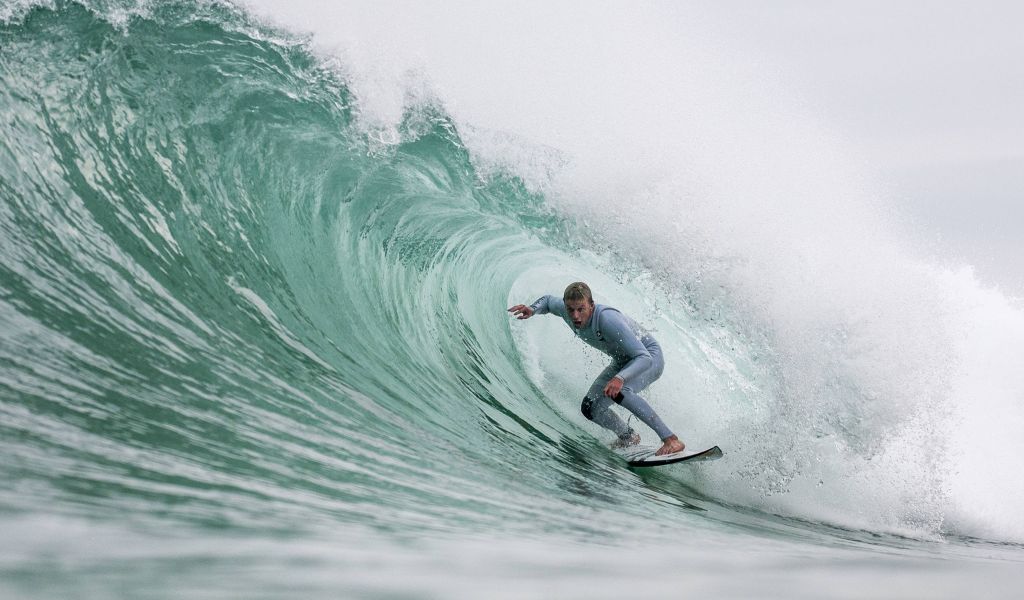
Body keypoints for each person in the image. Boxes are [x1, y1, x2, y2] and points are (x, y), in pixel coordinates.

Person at [508, 282, 685, 456]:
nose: (575, 316)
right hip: (623, 360)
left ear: (591, 306)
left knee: (620, 391)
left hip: (649, 358)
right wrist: (532, 309)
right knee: (590, 408)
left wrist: (620, 378)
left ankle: (670, 439)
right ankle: (628, 436)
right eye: (571, 309)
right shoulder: (565, 310)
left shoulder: (608, 320)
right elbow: (547, 301)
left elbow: (643, 357)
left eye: (581, 309)